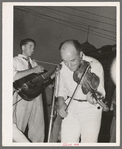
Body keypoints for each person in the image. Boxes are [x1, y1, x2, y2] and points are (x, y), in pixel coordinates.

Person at [56, 39, 106, 143]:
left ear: (80, 54)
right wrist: (61, 102)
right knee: (67, 143)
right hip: (70, 107)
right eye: (65, 61)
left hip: (90, 110)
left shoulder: (95, 65)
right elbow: (61, 87)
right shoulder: (62, 66)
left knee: (89, 142)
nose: (69, 65)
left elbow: (100, 91)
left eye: (73, 60)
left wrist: (93, 100)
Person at [13, 38, 45, 142]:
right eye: (30, 46)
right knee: (19, 125)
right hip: (22, 98)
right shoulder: (15, 61)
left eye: (33, 47)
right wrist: (33, 70)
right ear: (23, 47)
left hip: (36, 97)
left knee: (38, 125)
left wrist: (53, 74)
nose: (33, 49)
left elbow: (43, 79)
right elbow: (13, 76)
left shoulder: (34, 63)